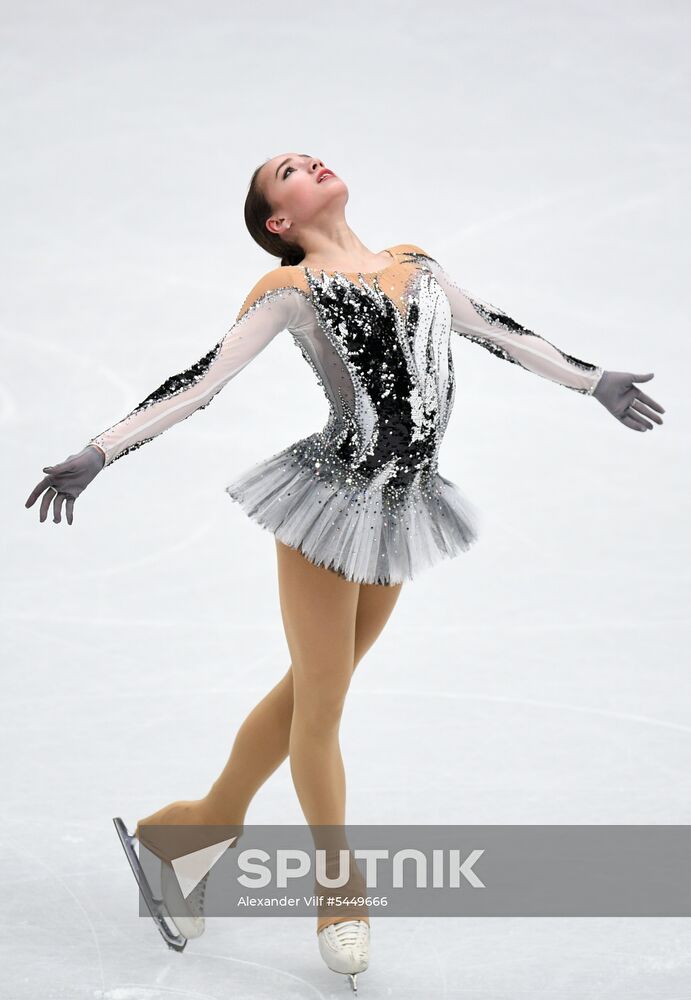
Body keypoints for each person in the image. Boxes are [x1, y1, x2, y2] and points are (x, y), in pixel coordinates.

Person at [25, 151, 665, 991]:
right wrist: (101, 450)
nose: (310, 163)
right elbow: (200, 383)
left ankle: (191, 830)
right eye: (288, 171)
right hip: (327, 502)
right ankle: (339, 894)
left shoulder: (416, 264)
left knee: (308, 691)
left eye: (308, 156)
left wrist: (591, 381)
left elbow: (496, 329)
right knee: (322, 706)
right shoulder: (290, 289)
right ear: (278, 222)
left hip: (402, 506)